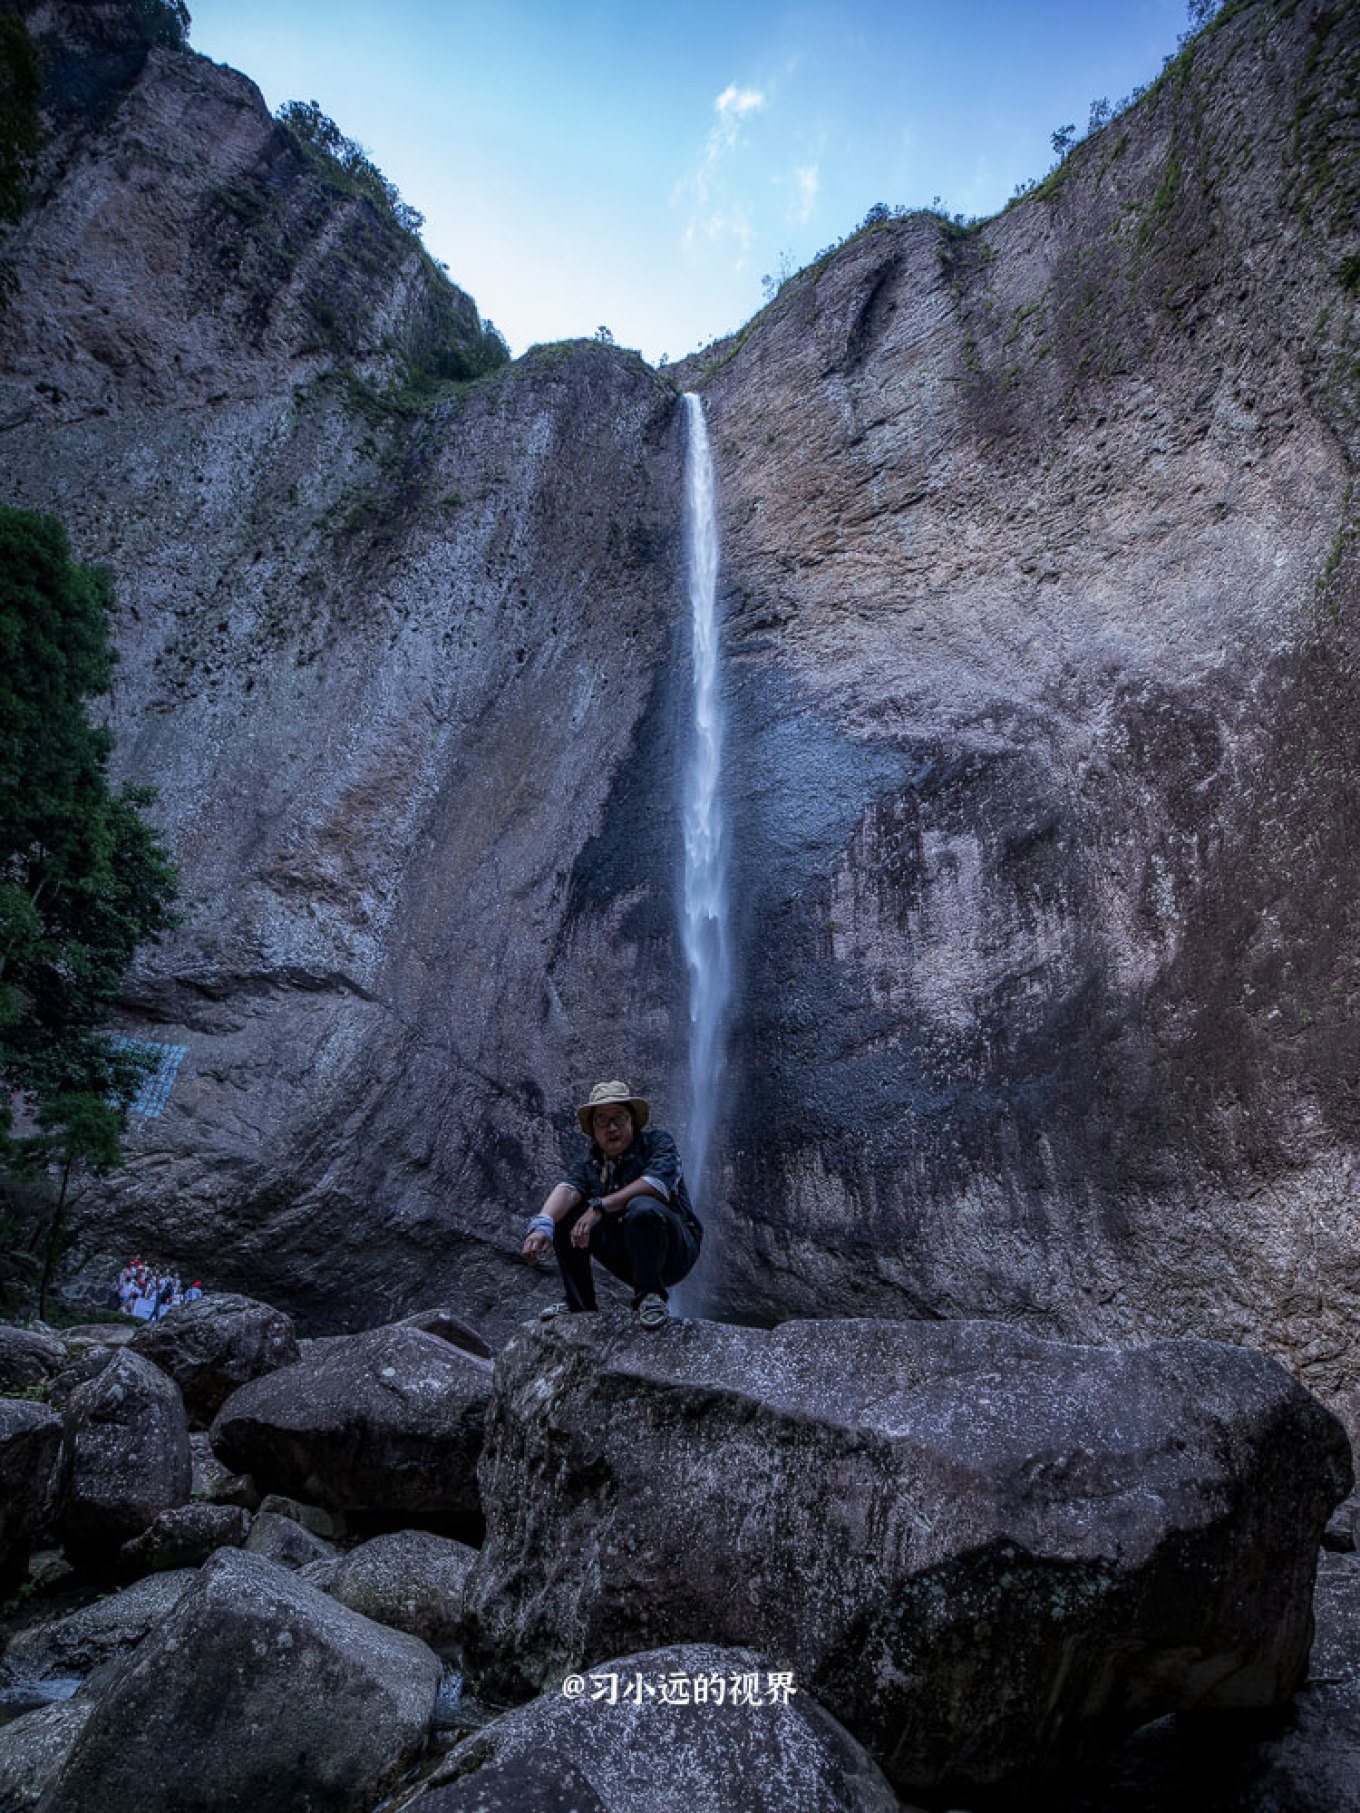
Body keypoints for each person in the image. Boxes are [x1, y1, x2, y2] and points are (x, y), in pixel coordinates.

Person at [522, 1080, 701, 1328]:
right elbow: (568, 1190)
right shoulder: (592, 1163)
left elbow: (656, 1185)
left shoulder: (658, 1144)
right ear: (593, 1131)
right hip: (630, 1255)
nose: (612, 1127)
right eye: (602, 1121)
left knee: (642, 1207)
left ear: (632, 1121)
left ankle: (650, 1297)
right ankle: (579, 1303)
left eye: (619, 1118)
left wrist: (598, 1207)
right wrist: (543, 1225)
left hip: (675, 1251)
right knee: (566, 1217)